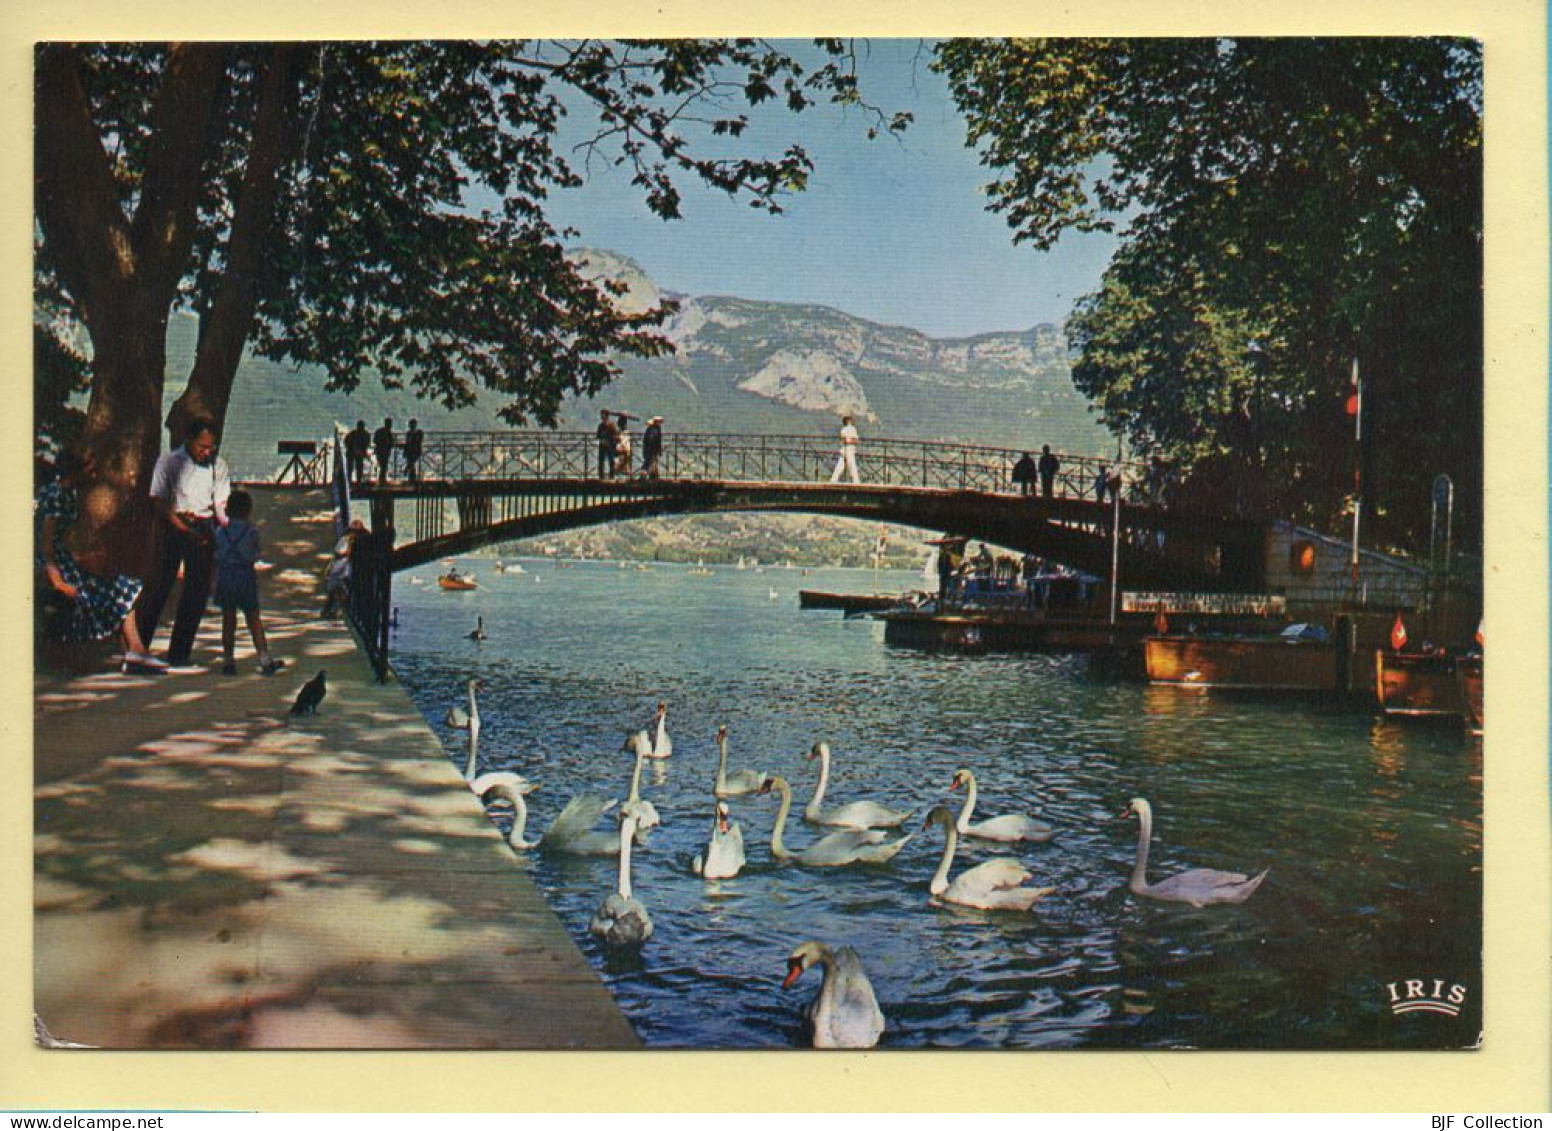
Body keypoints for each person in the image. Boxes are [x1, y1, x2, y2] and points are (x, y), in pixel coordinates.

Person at [35, 449, 164, 673]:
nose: (93, 474)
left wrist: (83, 559)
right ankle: (135, 651)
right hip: (49, 564)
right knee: (111, 591)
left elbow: (62, 541)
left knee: (123, 586)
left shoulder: (67, 495)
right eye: (89, 469)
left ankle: (136, 650)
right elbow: (46, 545)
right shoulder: (55, 495)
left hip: (64, 561)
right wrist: (58, 582)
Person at [138, 417, 231, 669]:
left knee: (197, 591)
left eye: (211, 447)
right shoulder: (169, 461)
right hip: (174, 522)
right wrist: (180, 526)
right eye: (202, 446)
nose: (207, 452)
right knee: (160, 585)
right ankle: (139, 646)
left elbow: (220, 503)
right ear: (189, 440)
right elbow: (157, 499)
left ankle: (180, 653)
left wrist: (226, 527)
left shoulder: (218, 466)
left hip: (203, 524)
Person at [213, 490, 285, 677]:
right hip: (245, 576)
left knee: (228, 619)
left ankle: (228, 660)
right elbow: (254, 554)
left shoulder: (220, 532)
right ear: (248, 510)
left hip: (226, 576)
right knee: (253, 618)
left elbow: (217, 554)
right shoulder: (251, 532)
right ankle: (264, 658)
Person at [829, 415, 861, 484]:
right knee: (851, 463)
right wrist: (850, 441)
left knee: (841, 464)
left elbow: (842, 439)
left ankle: (834, 479)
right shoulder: (852, 429)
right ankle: (855, 480)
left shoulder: (843, 430)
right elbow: (855, 440)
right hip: (849, 448)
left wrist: (846, 441)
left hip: (844, 448)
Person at [345, 421, 371, 486]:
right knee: (350, 467)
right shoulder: (352, 434)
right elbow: (346, 442)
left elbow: (367, 444)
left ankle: (358, 481)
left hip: (360, 453)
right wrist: (353, 449)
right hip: (351, 452)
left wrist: (362, 451)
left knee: (359, 467)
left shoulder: (366, 434)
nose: (360, 427)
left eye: (361, 426)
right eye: (360, 426)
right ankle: (348, 481)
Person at [596, 409, 619, 479]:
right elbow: (598, 436)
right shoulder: (600, 426)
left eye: (603, 415)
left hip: (610, 446)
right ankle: (601, 476)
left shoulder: (612, 425)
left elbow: (616, 435)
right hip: (602, 445)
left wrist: (610, 441)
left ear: (606, 416)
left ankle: (611, 476)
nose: (601, 416)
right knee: (601, 461)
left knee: (611, 461)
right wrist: (602, 440)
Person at [372, 417, 396, 482]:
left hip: (381, 451)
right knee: (384, 466)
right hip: (383, 451)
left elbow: (374, 440)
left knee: (383, 466)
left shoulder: (380, 431)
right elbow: (391, 442)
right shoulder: (387, 432)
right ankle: (382, 479)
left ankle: (382, 479)